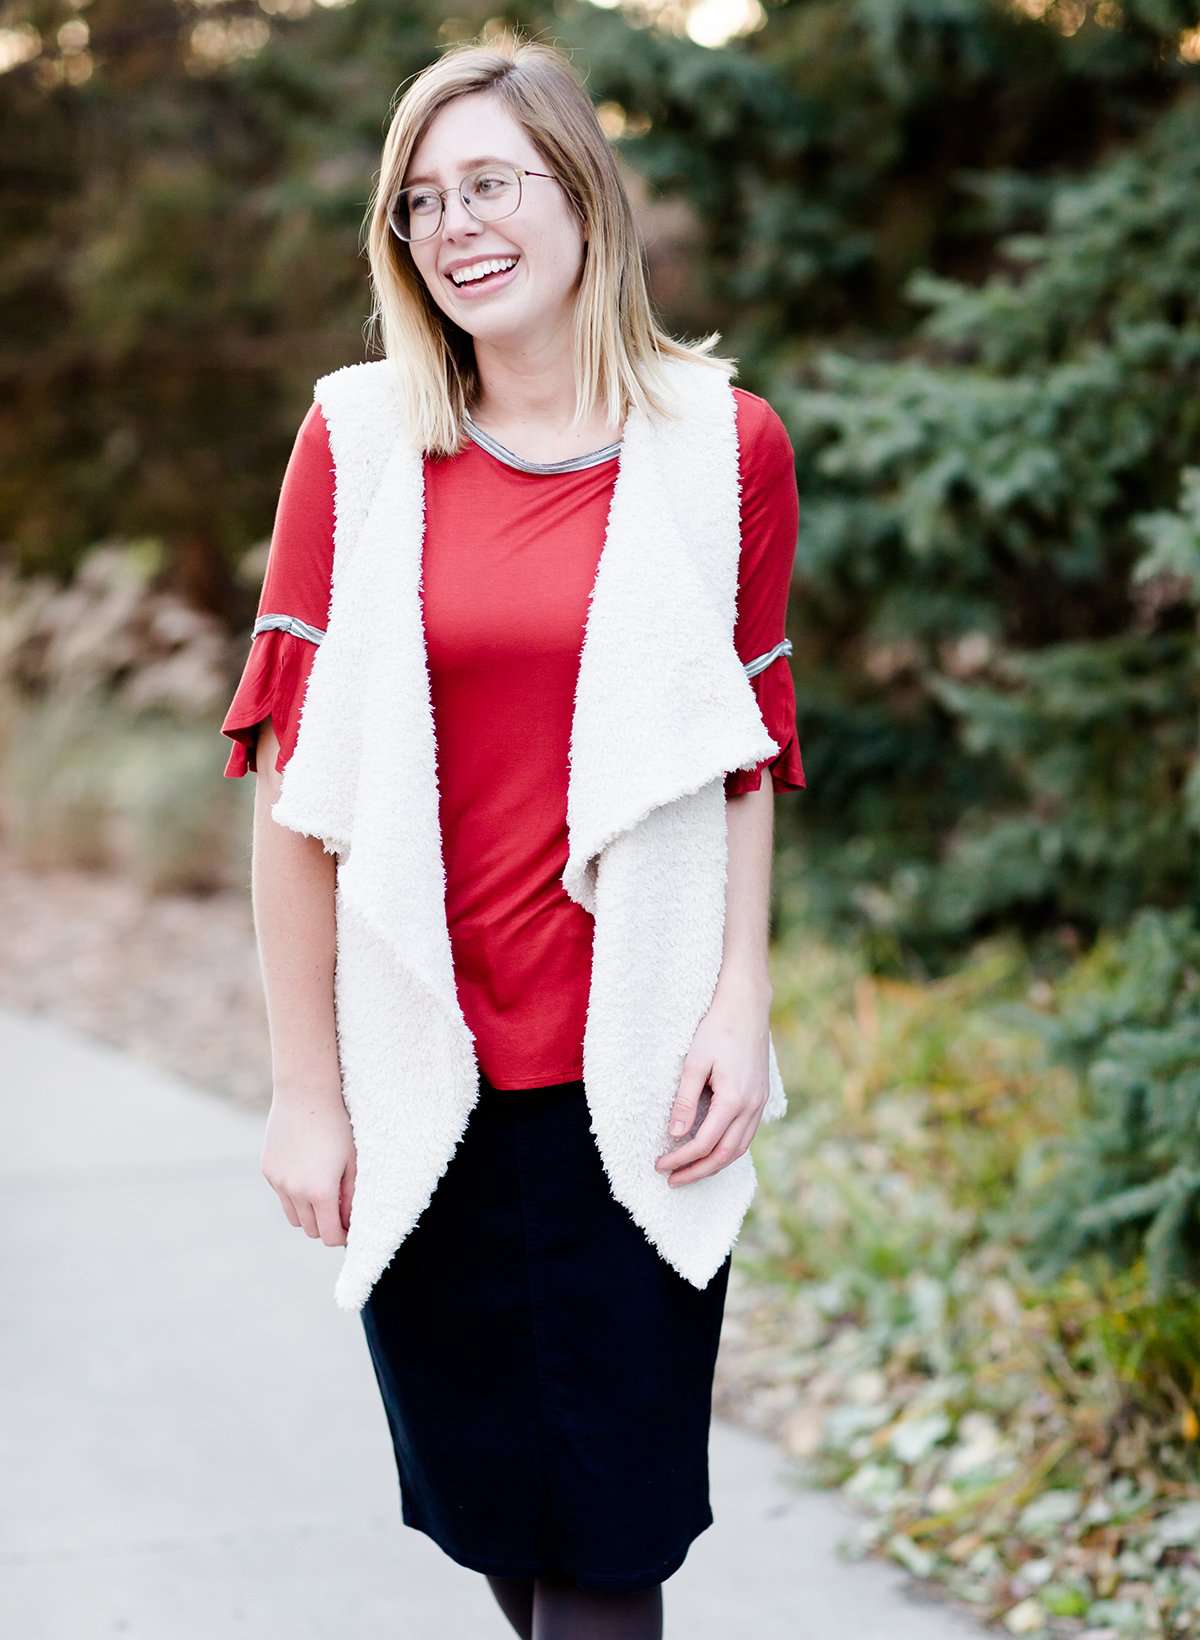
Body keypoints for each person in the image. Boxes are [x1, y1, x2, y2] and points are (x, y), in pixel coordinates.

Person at [220, 29, 805, 1640]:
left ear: (583, 198)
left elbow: (743, 755)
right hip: (428, 1077)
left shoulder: (722, 447)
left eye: (493, 184)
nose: (458, 225)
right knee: (502, 1537)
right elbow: (292, 792)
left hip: (632, 1076)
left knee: (609, 1560)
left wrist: (739, 1003)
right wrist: (306, 1091)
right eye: (421, 202)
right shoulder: (355, 444)